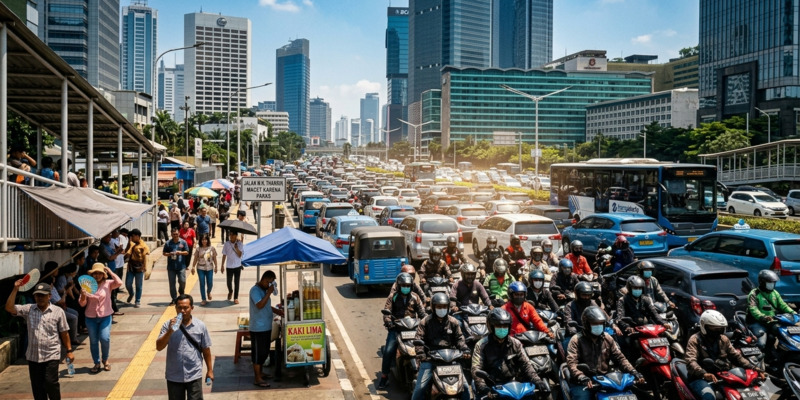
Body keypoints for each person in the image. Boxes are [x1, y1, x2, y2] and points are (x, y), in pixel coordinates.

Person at [5, 281, 72, 400]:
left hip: (51, 354)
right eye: (37, 295)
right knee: (37, 388)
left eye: (43, 295)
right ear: (34, 296)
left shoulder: (58, 311)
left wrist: (69, 350)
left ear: (49, 296)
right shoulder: (29, 309)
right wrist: (15, 289)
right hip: (33, 356)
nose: (40, 298)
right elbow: (9, 308)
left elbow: (64, 332)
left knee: (51, 383)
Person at [566, 307, 644, 400]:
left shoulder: (607, 338)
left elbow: (620, 358)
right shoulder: (576, 340)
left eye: (600, 323)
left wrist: (634, 372)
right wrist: (581, 377)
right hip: (584, 382)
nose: (598, 326)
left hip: (605, 380)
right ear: (587, 324)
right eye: (595, 323)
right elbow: (572, 363)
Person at [685, 310, 765, 400]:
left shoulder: (723, 339)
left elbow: (736, 356)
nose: (718, 331)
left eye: (721, 328)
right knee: (708, 397)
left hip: (722, 374)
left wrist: (754, 368)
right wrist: (704, 374)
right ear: (704, 326)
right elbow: (690, 361)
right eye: (715, 328)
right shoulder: (695, 339)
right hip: (700, 377)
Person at [472, 309, 546, 399]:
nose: (502, 328)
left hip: (514, 385)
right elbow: (476, 369)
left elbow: (526, 364)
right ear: (491, 326)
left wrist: (537, 380)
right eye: (499, 325)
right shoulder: (481, 345)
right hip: (492, 387)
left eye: (505, 325)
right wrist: (484, 388)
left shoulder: (516, 343)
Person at [411, 293, 470, 400]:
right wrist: (421, 353)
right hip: (430, 359)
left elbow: (460, 339)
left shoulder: (454, 322)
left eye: (444, 307)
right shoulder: (425, 322)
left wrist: (465, 349)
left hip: (451, 360)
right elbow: (418, 339)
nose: (441, 309)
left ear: (448, 307)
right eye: (438, 307)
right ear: (433, 307)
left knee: (465, 388)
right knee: (420, 388)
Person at [156, 294, 214, 400]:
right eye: (179, 308)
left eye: (186, 308)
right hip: (174, 376)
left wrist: (210, 370)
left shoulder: (200, 326)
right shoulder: (167, 325)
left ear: (192, 308)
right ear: (175, 308)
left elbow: (206, 349)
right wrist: (170, 331)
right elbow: (159, 347)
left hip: (194, 374)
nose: (182, 311)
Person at [379, 273, 426, 389]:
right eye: (403, 285)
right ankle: (384, 377)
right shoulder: (393, 297)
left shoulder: (415, 297)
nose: (406, 287)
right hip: (397, 329)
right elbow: (387, 311)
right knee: (388, 351)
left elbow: (422, 313)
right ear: (399, 286)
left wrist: (426, 322)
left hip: (413, 329)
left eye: (408, 285)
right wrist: (388, 321)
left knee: (425, 349)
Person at [79, 263, 122, 373]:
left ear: (103, 274)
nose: (97, 275)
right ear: (92, 275)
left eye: (100, 273)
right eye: (95, 273)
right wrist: (83, 296)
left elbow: (119, 282)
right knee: (93, 341)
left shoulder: (108, 284)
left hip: (105, 316)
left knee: (105, 338)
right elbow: (82, 304)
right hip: (90, 317)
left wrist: (110, 271)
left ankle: (105, 360)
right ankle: (96, 363)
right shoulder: (86, 285)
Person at [747, 269, 796, 361]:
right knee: (761, 343)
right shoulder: (754, 294)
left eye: (773, 282)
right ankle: (756, 361)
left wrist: (794, 313)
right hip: (757, 322)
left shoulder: (775, 293)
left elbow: (783, 305)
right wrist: (763, 317)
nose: (772, 284)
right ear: (762, 282)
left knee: (784, 336)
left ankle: (776, 356)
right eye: (769, 282)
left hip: (772, 321)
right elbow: (753, 309)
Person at [249, 271, 284, 388]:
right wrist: (268, 293)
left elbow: (266, 305)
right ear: (265, 280)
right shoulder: (255, 290)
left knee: (264, 352)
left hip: (266, 326)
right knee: (258, 354)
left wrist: (277, 311)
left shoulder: (263, 291)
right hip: (258, 327)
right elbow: (259, 305)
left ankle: (261, 373)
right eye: (269, 283)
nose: (270, 286)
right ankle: (257, 378)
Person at [98, 233, 124, 316]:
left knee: (114, 291)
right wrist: (117, 253)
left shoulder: (108, 245)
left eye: (110, 236)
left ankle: (113, 308)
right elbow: (110, 257)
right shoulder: (102, 246)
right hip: (107, 271)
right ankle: (113, 309)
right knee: (111, 292)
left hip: (112, 270)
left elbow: (113, 255)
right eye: (108, 237)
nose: (110, 238)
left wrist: (118, 251)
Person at [124, 229, 149, 308]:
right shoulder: (131, 244)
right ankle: (131, 293)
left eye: (133, 236)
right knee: (128, 283)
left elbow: (146, 257)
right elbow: (127, 253)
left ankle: (137, 300)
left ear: (137, 236)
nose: (132, 238)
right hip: (131, 266)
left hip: (139, 267)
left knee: (138, 285)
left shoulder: (144, 246)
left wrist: (145, 267)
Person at [163, 229, 190, 305]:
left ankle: (181, 291)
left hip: (181, 266)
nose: (175, 236)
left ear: (179, 234)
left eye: (176, 234)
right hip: (171, 267)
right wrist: (169, 254)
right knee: (172, 284)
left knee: (182, 281)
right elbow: (164, 253)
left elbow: (187, 252)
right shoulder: (168, 243)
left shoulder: (183, 242)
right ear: (171, 234)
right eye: (174, 234)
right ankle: (174, 298)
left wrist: (180, 252)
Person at [192, 235, 218, 306]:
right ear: (200, 241)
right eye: (203, 240)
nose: (204, 241)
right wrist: (193, 267)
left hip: (209, 268)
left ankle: (208, 291)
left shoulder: (212, 248)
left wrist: (216, 267)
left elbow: (214, 258)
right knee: (202, 283)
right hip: (200, 268)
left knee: (210, 283)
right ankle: (203, 299)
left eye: (205, 240)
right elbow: (195, 258)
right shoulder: (198, 249)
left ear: (208, 240)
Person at [221, 231, 244, 304]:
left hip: (237, 266)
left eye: (232, 235)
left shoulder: (240, 244)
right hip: (229, 266)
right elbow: (224, 254)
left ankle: (236, 297)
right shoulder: (226, 244)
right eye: (230, 234)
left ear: (236, 236)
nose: (231, 236)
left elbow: (240, 255)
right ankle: (230, 291)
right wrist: (222, 265)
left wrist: (236, 248)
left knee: (236, 282)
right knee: (228, 282)